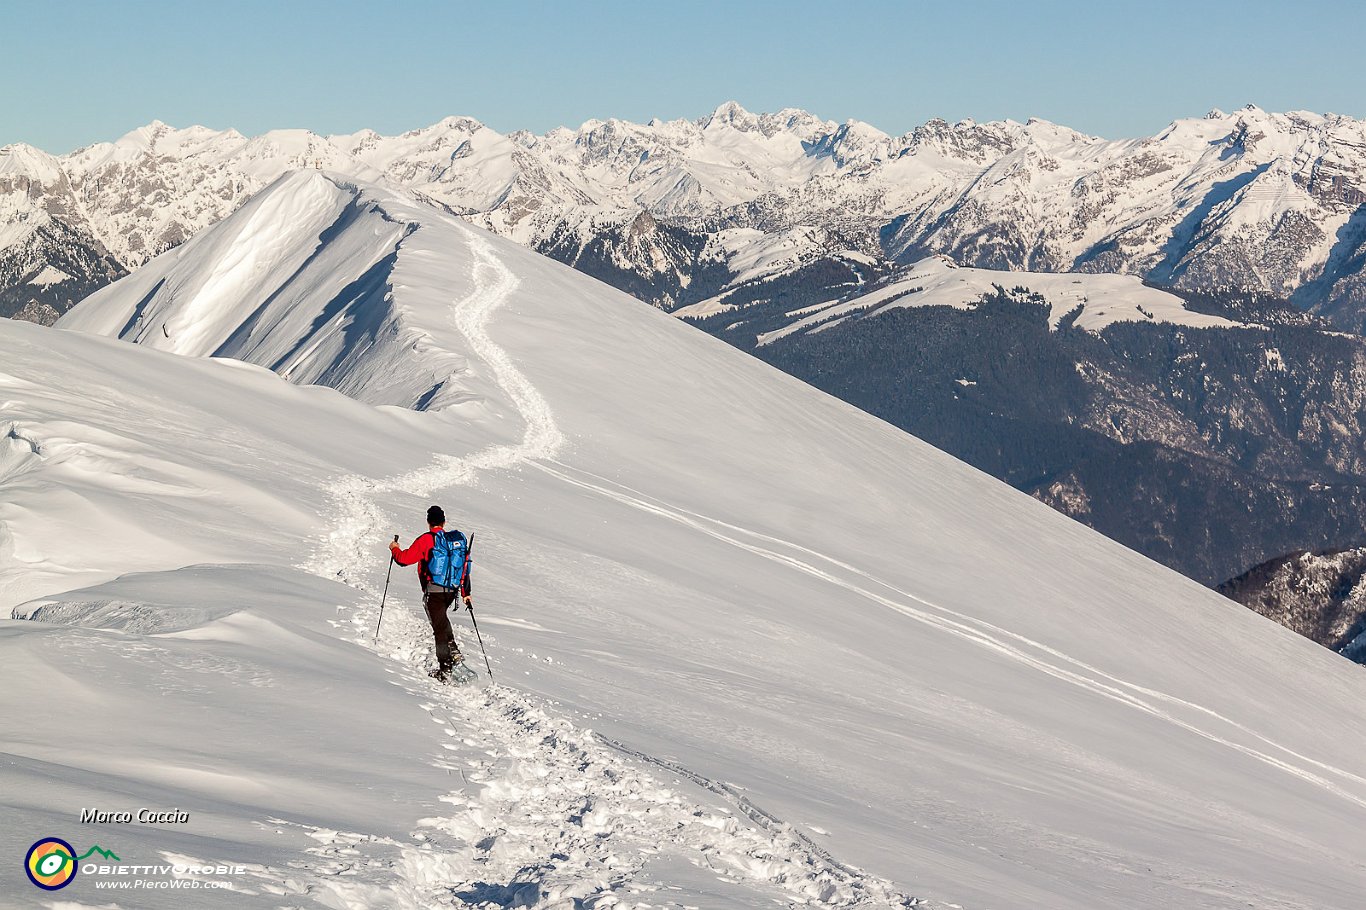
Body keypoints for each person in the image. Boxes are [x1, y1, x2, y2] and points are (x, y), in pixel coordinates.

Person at [389, 505, 472, 681]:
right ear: (444, 522)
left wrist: (394, 548)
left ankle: (445, 670)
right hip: (452, 591)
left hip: (434, 591)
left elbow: (404, 560)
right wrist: (466, 592)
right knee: (441, 620)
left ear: (428, 522)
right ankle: (454, 651)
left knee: (439, 629)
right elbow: (464, 566)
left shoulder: (427, 539)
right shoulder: (453, 542)